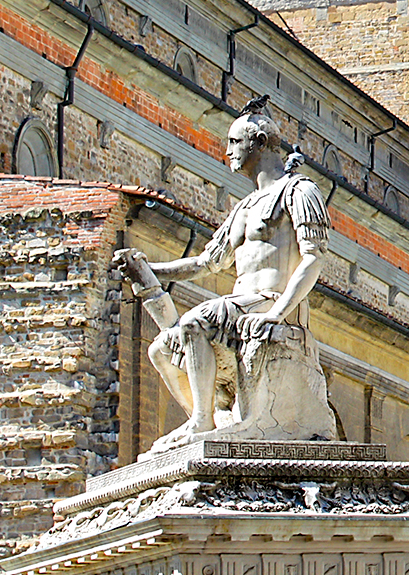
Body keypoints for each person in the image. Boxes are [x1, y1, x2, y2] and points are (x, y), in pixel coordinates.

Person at [113, 95, 331, 452]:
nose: (227, 151)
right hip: (239, 304)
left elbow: (313, 258)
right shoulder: (243, 208)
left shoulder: (300, 191)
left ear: (259, 143)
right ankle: (210, 416)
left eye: (234, 142)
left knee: (194, 322)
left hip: (271, 303)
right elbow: (206, 263)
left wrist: (277, 315)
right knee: (160, 351)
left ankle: (201, 422)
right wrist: (149, 269)